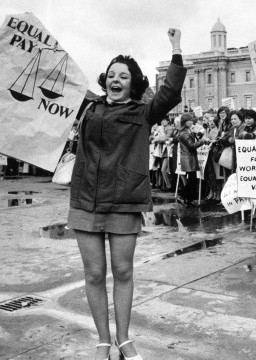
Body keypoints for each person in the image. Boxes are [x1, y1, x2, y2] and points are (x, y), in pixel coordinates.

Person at [67, 29, 186, 360]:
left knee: (122, 272)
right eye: (112, 74)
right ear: (105, 80)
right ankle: (103, 340)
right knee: (93, 274)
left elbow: (171, 91)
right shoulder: (88, 108)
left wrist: (176, 49)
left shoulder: (143, 112)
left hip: (124, 203)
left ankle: (124, 339)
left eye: (124, 76)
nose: (116, 79)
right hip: (85, 200)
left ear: (133, 84)